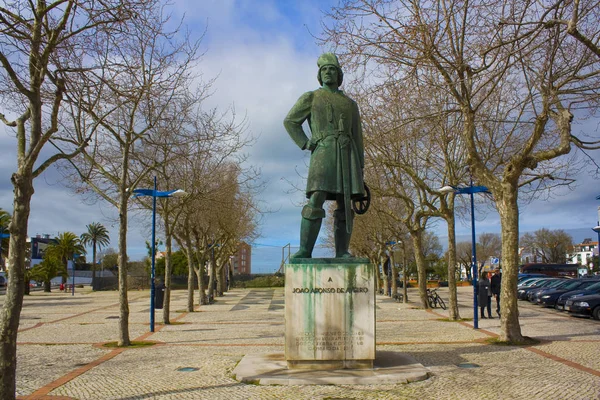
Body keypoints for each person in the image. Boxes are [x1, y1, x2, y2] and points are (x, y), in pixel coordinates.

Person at [284, 53, 365, 259]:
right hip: (324, 151)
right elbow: (291, 121)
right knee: (316, 197)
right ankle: (305, 250)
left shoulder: (350, 104)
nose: (328, 72)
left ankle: (342, 252)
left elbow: (357, 136)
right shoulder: (311, 97)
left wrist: (360, 169)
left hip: (348, 155)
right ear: (320, 75)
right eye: (324, 70)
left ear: (339, 75)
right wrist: (305, 142)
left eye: (332, 69)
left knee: (345, 203)